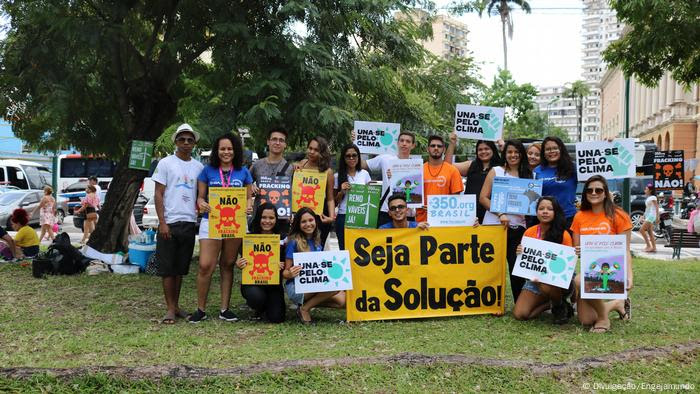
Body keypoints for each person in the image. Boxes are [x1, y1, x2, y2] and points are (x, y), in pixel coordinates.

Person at [190, 133, 254, 323]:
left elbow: (249, 196)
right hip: (212, 220)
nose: (226, 152)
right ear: (217, 151)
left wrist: (249, 205)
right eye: (222, 149)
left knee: (227, 264)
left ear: (235, 151)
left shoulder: (243, 172)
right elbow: (200, 197)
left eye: (229, 149)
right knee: (205, 265)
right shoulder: (207, 171)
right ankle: (200, 309)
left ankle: (224, 309)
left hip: (234, 222)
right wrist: (202, 203)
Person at [152, 123, 203, 324]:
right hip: (170, 223)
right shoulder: (165, 163)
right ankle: (170, 308)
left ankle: (176, 305)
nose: (186, 143)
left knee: (180, 268)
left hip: (189, 222)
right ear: (175, 141)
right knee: (167, 268)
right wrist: (162, 222)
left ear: (194, 144)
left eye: (190, 140)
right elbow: (158, 194)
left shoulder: (199, 167)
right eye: (182, 139)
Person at [571, 175, 633, 333]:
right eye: (589, 190)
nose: (594, 193)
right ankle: (616, 304)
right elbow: (576, 248)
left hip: (611, 270)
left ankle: (604, 320)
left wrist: (629, 276)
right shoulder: (579, 217)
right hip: (590, 268)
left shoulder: (619, 215)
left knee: (579, 280)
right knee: (586, 320)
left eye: (598, 189)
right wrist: (577, 250)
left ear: (605, 193)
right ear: (585, 193)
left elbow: (625, 249)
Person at [480, 139, 532, 304]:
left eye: (516, 152)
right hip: (495, 227)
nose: (513, 155)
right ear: (504, 154)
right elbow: (483, 198)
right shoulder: (496, 171)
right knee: (492, 267)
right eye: (509, 152)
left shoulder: (528, 175)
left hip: (518, 228)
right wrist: (500, 213)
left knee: (517, 266)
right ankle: (489, 302)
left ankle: (519, 302)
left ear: (521, 155)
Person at [513, 197, 574, 324]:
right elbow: (524, 260)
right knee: (520, 314)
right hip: (534, 279)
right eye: (541, 209)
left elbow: (567, 264)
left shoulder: (564, 234)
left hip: (558, 282)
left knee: (548, 283)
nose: (545, 212)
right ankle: (552, 304)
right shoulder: (530, 232)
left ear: (556, 212)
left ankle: (558, 306)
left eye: (549, 209)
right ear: (536, 212)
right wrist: (520, 252)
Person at [283, 207, 345, 324]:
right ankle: (304, 309)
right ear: (298, 224)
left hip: (313, 284)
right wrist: (290, 273)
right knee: (334, 285)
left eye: (311, 220)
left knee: (341, 301)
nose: (308, 224)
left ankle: (306, 305)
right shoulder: (293, 242)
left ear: (315, 222)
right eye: (303, 222)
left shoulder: (317, 240)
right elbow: (285, 273)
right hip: (296, 287)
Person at [235, 203, 286, 323]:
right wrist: (240, 263)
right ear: (258, 218)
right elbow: (245, 261)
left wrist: (282, 266)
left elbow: (288, 264)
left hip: (274, 284)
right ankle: (259, 306)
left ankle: (269, 305)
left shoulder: (282, 239)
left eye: (271, 218)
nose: (267, 221)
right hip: (253, 282)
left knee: (276, 318)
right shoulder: (249, 238)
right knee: (256, 297)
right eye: (264, 217)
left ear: (276, 219)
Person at [360, 131, 418, 227]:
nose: (404, 144)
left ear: (413, 145)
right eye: (402, 140)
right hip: (386, 211)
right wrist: (354, 144)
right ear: (397, 143)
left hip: (407, 213)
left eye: (408, 141)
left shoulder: (417, 166)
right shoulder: (385, 159)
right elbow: (362, 164)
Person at [444, 133, 502, 223]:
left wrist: (502, 146)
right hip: (471, 213)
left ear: (493, 150)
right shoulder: (471, 165)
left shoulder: (501, 167)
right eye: (480, 149)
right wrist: (452, 143)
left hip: (492, 214)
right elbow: (447, 166)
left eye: (487, 149)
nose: (483, 152)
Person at [250, 127, 294, 234]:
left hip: (282, 219)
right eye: (274, 139)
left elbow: (296, 193)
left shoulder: (291, 168)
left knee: (280, 249)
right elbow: (244, 184)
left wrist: (292, 213)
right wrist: (250, 186)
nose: (277, 143)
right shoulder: (256, 165)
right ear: (268, 142)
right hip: (260, 219)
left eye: (281, 140)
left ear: (285, 144)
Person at [294, 136, 336, 247]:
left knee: (316, 248)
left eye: (316, 150)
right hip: (301, 213)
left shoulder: (328, 172)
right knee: (299, 246)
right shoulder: (302, 163)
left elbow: (330, 198)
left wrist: (331, 218)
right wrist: (295, 169)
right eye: (310, 148)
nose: (311, 152)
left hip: (319, 215)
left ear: (322, 153)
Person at [415, 135, 464, 223]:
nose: (436, 148)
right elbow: (411, 196)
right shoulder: (418, 170)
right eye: (433, 146)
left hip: (444, 221)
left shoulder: (452, 170)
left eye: (439, 146)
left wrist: (435, 208)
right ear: (427, 149)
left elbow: (456, 200)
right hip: (422, 221)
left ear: (444, 150)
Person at [534, 136, 577, 228]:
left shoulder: (573, 167)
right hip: (545, 220)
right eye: (548, 149)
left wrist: (608, 143)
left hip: (568, 218)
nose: (551, 151)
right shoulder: (537, 171)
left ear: (561, 150)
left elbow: (592, 179)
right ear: (543, 153)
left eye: (555, 148)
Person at [334, 144, 371, 250]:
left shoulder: (365, 174)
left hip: (361, 216)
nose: (351, 158)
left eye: (354, 155)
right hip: (344, 216)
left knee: (362, 249)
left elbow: (370, 195)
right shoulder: (338, 176)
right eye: (348, 156)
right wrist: (341, 192)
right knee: (344, 248)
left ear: (358, 157)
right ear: (343, 158)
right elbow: (335, 202)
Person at [640, 184, 659, 252]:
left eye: (646, 189)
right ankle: (654, 248)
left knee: (641, 230)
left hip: (652, 216)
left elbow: (657, 207)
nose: (645, 190)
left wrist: (657, 217)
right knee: (650, 232)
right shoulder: (649, 198)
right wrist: (643, 216)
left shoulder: (653, 197)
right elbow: (647, 209)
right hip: (649, 216)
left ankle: (648, 245)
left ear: (650, 190)